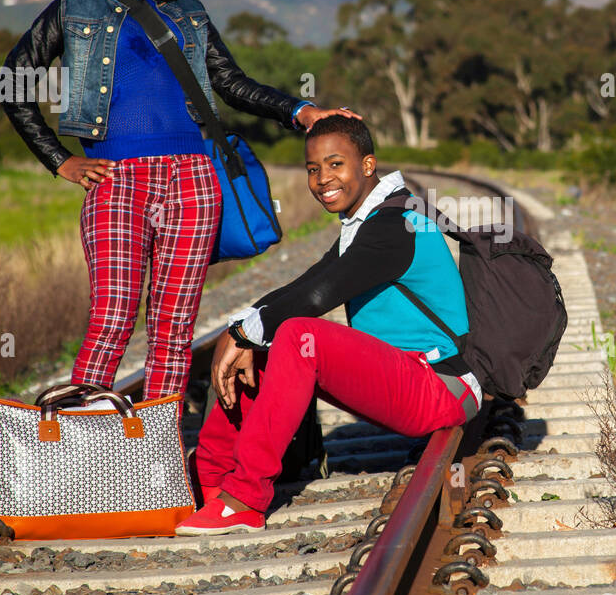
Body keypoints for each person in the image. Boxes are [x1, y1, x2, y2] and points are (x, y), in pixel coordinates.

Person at [0, 0, 355, 401]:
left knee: (172, 332)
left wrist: (299, 110)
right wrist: (60, 160)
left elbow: (231, 84)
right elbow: (11, 81)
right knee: (113, 314)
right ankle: (81, 451)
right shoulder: (76, 10)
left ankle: (154, 461)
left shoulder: (189, 15)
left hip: (194, 182)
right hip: (115, 179)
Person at [177, 115, 482, 535]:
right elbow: (305, 285)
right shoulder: (370, 221)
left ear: (368, 165)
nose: (323, 179)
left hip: (441, 388)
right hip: (406, 376)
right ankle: (212, 482)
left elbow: (320, 297)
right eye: (313, 169)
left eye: (336, 165)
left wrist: (245, 332)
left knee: (298, 335)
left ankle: (245, 498)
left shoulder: (395, 226)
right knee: (266, 338)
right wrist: (243, 329)